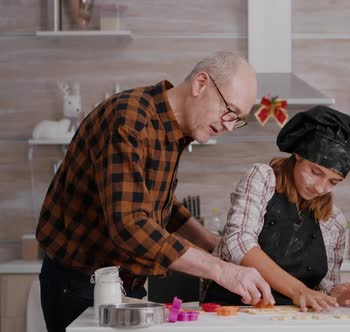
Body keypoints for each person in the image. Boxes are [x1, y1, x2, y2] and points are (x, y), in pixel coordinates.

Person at [35, 51, 274, 332]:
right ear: (200, 84)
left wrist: (210, 242)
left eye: (238, 119)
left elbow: (160, 204)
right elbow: (130, 224)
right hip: (80, 286)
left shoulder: (172, 131)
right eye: (230, 111)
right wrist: (222, 270)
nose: (230, 126)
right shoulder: (129, 121)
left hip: (126, 285)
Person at [202, 106, 350, 312]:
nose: (320, 187)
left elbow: (323, 286)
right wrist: (298, 290)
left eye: (333, 182)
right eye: (316, 172)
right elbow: (237, 242)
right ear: (298, 154)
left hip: (289, 318)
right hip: (232, 311)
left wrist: (335, 294)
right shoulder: (263, 178)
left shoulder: (333, 221)